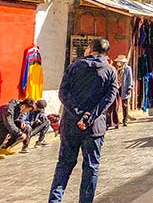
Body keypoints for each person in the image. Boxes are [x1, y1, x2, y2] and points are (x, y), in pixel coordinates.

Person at [48, 38, 118, 203]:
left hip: (71, 124)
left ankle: (55, 200)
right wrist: (89, 117)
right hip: (94, 128)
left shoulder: (73, 67)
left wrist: (78, 114)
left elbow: (63, 93)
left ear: (90, 49)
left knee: (64, 164)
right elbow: (109, 99)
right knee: (91, 167)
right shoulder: (110, 71)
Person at [114, 55, 134, 126]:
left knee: (125, 105)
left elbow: (130, 79)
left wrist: (129, 88)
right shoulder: (117, 69)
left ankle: (125, 120)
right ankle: (116, 121)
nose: (119, 63)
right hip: (117, 87)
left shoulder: (128, 68)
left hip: (125, 88)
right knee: (116, 104)